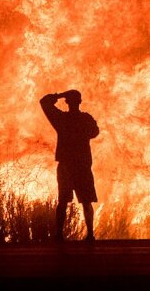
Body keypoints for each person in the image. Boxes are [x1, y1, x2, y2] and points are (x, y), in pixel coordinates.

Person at [40, 89, 100, 241]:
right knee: (85, 201)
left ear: (67, 102)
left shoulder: (61, 119)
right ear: (80, 101)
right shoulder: (84, 119)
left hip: (69, 166)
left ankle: (59, 235)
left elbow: (44, 101)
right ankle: (90, 235)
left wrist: (61, 95)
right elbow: (95, 131)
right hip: (80, 165)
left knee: (64, 202)